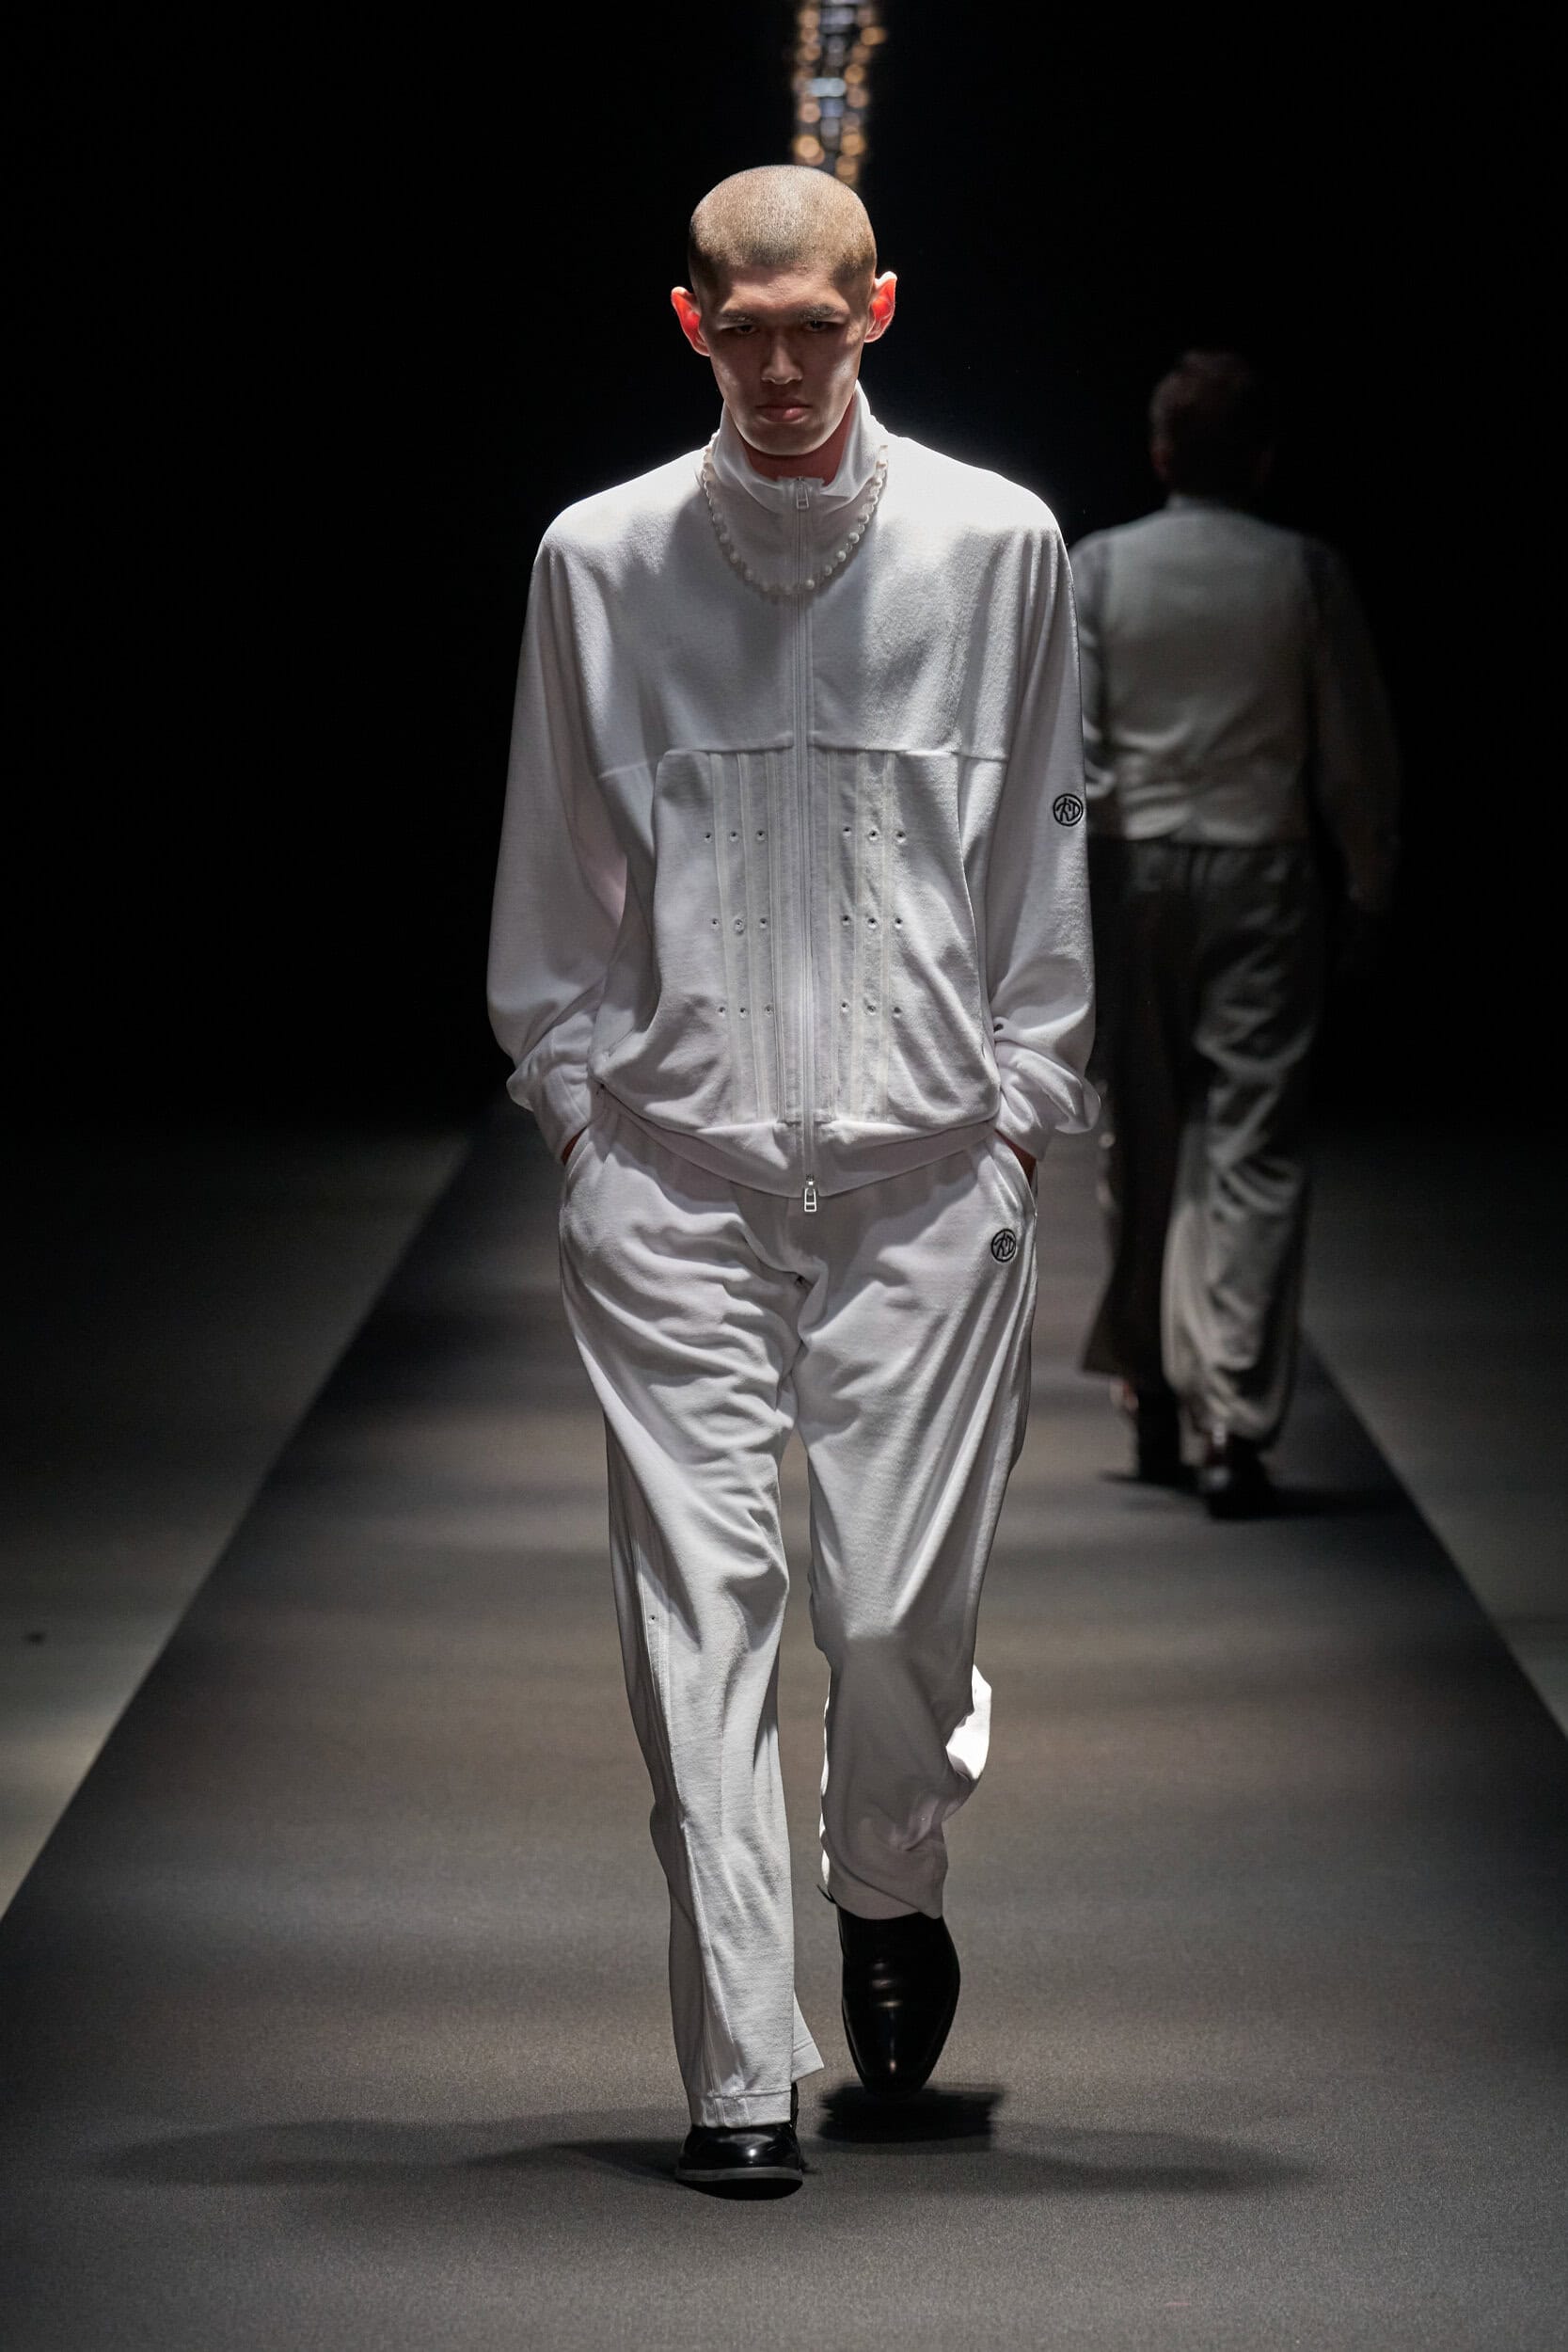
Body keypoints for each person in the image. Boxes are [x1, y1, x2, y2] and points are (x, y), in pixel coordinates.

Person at [487, 166, 1095, 2191]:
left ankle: (886, 1870)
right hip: (669, 1172)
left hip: (929, 1168)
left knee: (895, 1607)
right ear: (687, 323)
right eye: (737, 330)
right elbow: (553, 865)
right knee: (701, 1613)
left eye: (809, 328)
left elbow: (1039, 843)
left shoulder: (997, 544)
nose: (772, 367)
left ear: (876, 312)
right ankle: (740, 2066)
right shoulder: (596, 559)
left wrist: (1020, 1103)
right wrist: (578, 1115)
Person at [1073, 352, 1400, 1517]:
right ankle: (1233, 1421)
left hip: (1132, 864)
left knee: (1140, 1136)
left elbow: (1072, 740)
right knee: (1253, 1146)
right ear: (1259, 459)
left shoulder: (1100, 565)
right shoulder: (1299, 571)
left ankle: (1154, 1388)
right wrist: (1368, 882)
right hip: (1261, 863)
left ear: (1159, 452)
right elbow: (1351, 744)